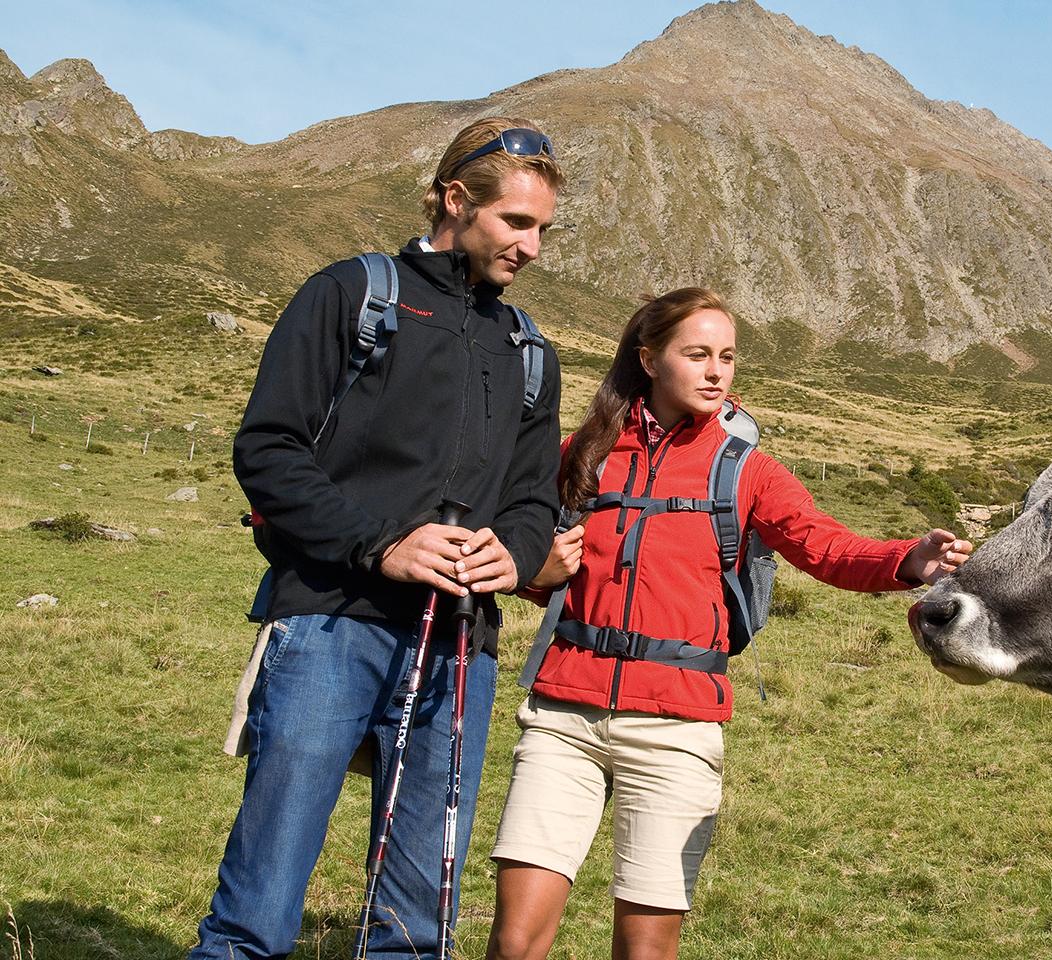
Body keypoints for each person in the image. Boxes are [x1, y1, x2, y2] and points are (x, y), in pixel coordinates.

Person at [484, 287, 973, 960]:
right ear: (650, 360)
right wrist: (532, 572)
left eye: (728, 357)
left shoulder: (748, 472)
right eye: (698, 355)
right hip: (562, 717)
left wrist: (907, 559)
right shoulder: (584, 453)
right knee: (514, 941)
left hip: (678, 729)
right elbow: (529, 556)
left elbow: (826, 547)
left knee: (645, 951)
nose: (716, 372)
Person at [189, 117, 565, 960]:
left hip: (462, 649)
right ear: (455, 199)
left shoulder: (528, 350)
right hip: (330, 621)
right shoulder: (350, 296)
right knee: (259, 906)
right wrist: (384, 545)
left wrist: (513, 549)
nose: (533, 247)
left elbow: (535, 498)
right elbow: (268, 449)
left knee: (414, 928)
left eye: (543, 228)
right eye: (516, 222)